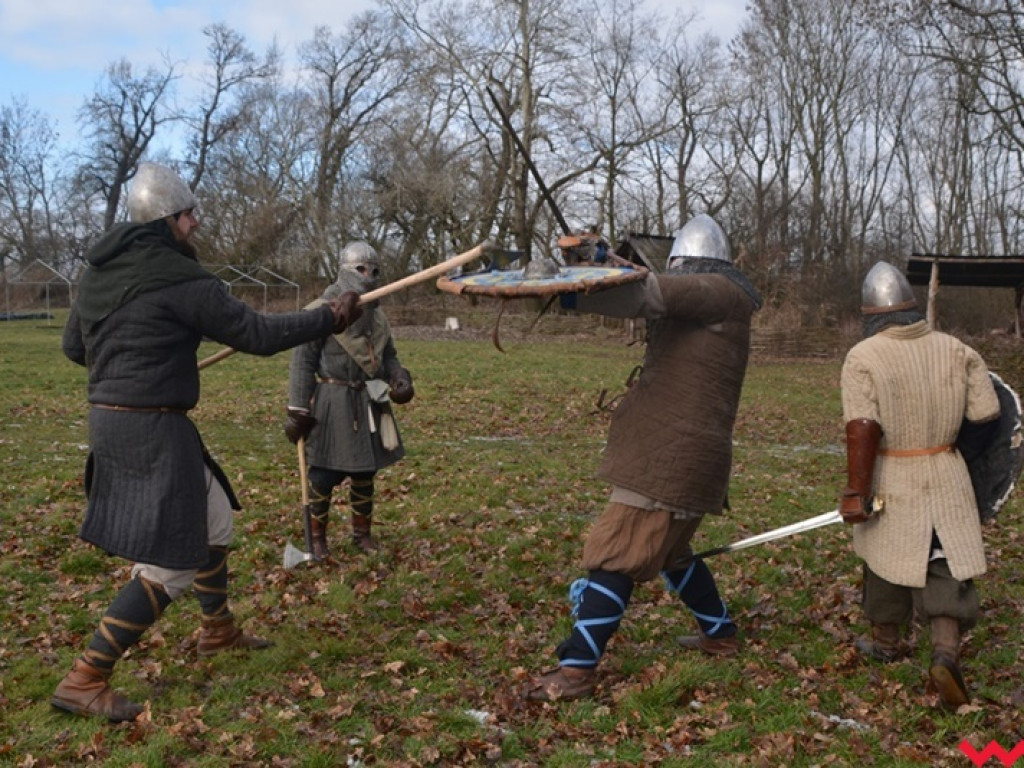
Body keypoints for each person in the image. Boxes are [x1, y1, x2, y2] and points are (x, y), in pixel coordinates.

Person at [54, 161, 362, 722]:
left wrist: (148, 350)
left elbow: (77, 349)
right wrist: (327, 317)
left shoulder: (99, 273)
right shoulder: (180, 278)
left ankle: (217, 630)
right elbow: (258, 334)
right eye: (187, 214)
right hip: (150, 428)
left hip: (119, 420)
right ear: (165, 221)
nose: (196, 222)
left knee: (215, 518)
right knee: (170, 562)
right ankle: (86, 677)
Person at [525, 213, 762, 701]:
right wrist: (594, 263)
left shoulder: (716, 291)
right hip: (688, 456)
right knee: (671, 553)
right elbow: (639, 287)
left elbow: (643, 294)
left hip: (670, 456)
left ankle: (575, 671)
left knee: (616, 552)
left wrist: (565, 284)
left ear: (690, 262)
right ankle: (720, 634)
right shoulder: (719, 296)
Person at [839, 260, 999, 709]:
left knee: (884, 556)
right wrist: (949, 449)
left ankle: (888, 642)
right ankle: (945, 652)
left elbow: (863, 426)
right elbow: (988, 416)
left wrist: (857, 491)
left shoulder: (864, 357)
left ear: (872, 314)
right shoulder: (957, 348)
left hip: (892, 471)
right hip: (947, 468)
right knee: (944, 560)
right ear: (911, 308)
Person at [284, 241, 413, 556]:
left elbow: (388, 356)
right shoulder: (319, 312)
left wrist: (399, 377)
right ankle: (317, 540)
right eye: (361, 269)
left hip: (370, 398)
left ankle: (362, 535)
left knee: (365, 471)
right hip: (332, 401)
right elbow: (302, 363)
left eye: (374, 270)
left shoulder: (377, 317)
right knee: (324, 473)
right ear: (345, 270)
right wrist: (297, 410)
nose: (368, 275)